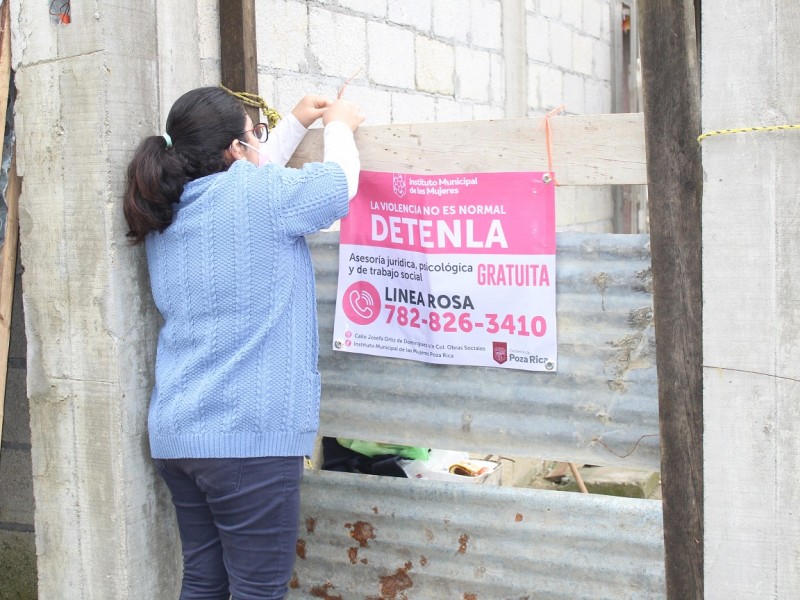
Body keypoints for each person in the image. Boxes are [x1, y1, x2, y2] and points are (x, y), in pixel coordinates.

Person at [122, 86, 364, 600]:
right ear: (235, 147)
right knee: (258, 590)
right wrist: (338, 125)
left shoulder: (167, 208)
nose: (260, 144)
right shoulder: (261, 198)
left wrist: (293, 125)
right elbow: (338, 186)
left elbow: (246, 182)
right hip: (246, 439)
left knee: (205, 582)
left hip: (180, 436)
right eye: (255, 135)